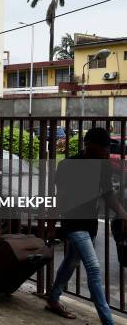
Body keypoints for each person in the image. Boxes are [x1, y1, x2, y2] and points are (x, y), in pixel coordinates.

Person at [45, 127, 127, 324]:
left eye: (108, 148)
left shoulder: (103, 165)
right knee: (93, 267)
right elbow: (61, 197)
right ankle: (108, 320)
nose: (107, 151)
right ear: (88, 145)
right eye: (103, 148)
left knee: (71, 261)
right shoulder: (68, 165)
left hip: (90, 223)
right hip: (72, 222)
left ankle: (53, 299)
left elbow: (108, 195)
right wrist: (50, 225)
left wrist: (123, 214)